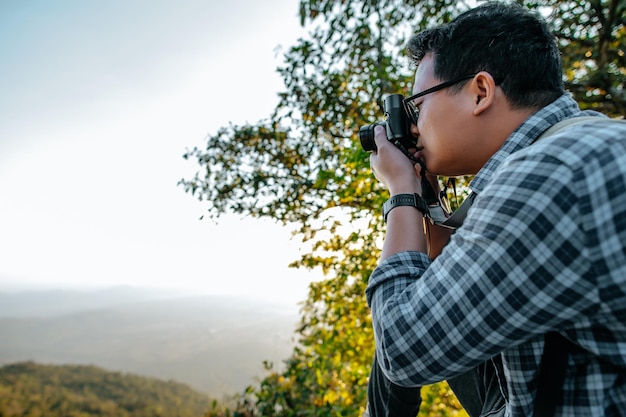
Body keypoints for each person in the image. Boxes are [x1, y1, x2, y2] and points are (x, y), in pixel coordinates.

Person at [364, 2, 626, 416]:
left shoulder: (545, 176)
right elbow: (449, 287)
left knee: (393, 313)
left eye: (418, 106)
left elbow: (402, 349)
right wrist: (425, 196)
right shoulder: (584, 142)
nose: (413, 127)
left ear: (480, 92)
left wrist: (401, 193)